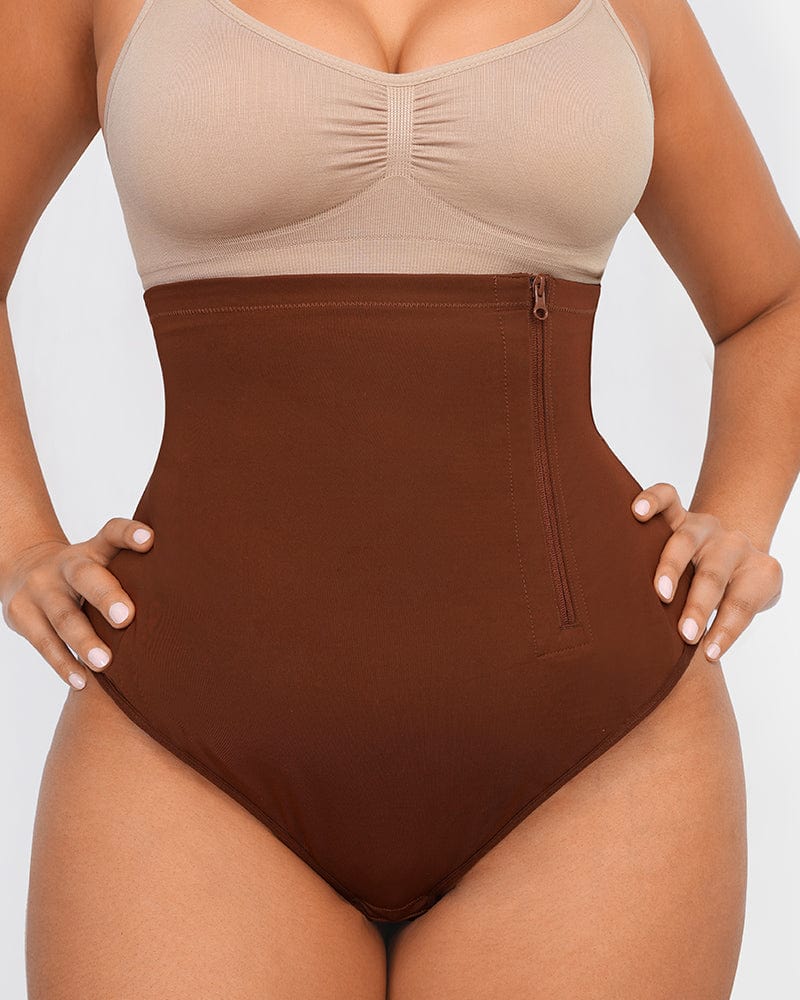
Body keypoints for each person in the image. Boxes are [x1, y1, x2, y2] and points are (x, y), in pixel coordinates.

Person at [1, 0, 795, 996]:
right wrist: (19, 539)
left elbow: (772, 302)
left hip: (598, 742)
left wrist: (740, 521)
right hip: (188, 727)